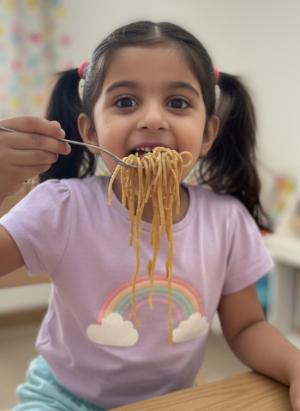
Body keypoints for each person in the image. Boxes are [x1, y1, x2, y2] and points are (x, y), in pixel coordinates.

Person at [0, 20, 300, 411]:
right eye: (125, 101)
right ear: (89, 132)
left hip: (172, 399)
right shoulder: (60, 208)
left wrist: (295, 366)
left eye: (178, 103)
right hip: (62, 398)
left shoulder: (227, 221)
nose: (153, 119)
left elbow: (246, 327)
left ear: (207, 134)